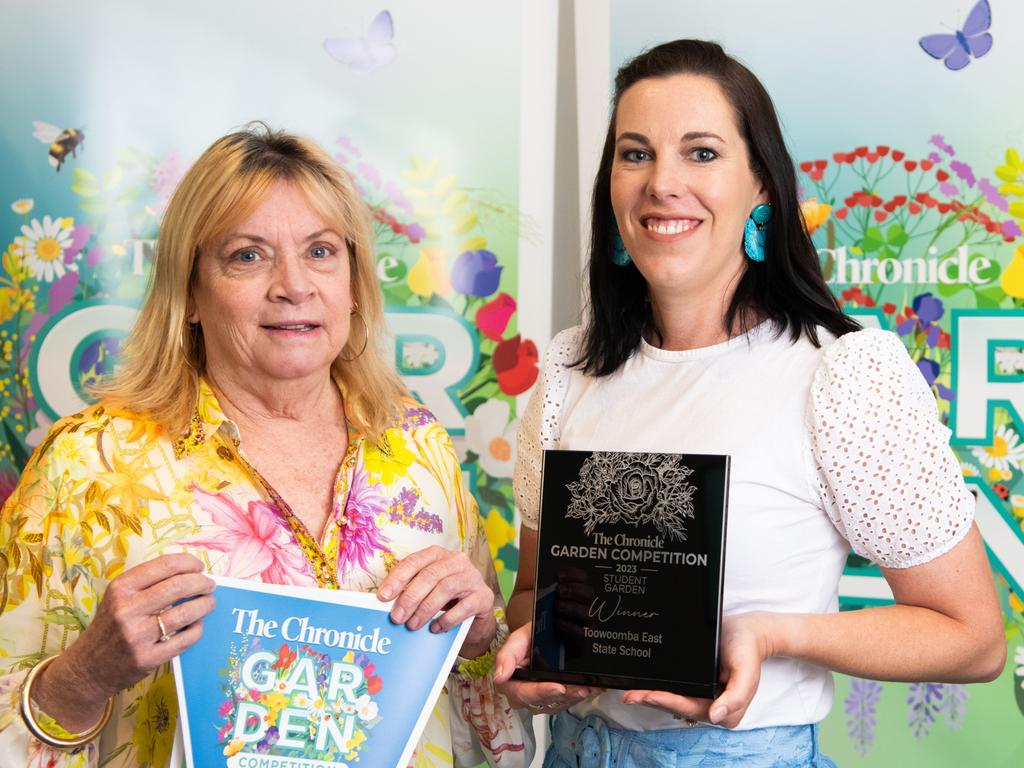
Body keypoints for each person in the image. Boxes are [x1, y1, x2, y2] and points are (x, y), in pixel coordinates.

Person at [494, 39, 1005, 767]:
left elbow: (974, 637)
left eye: (701, 153)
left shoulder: (839, 374)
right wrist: (540, 657)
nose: (662, 182)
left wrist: (771, 635)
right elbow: (530, 594)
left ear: (761, 183)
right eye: (635, 154)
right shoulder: (569, 371)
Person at [0, 126, 532, 767]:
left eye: (321, 252)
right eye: (248, 256)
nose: (294, 285)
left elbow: (496, 731)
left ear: (356, 283)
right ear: (190, 292)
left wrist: (476, 637)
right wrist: (86, 675)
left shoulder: (421, 449)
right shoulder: (86, 463)